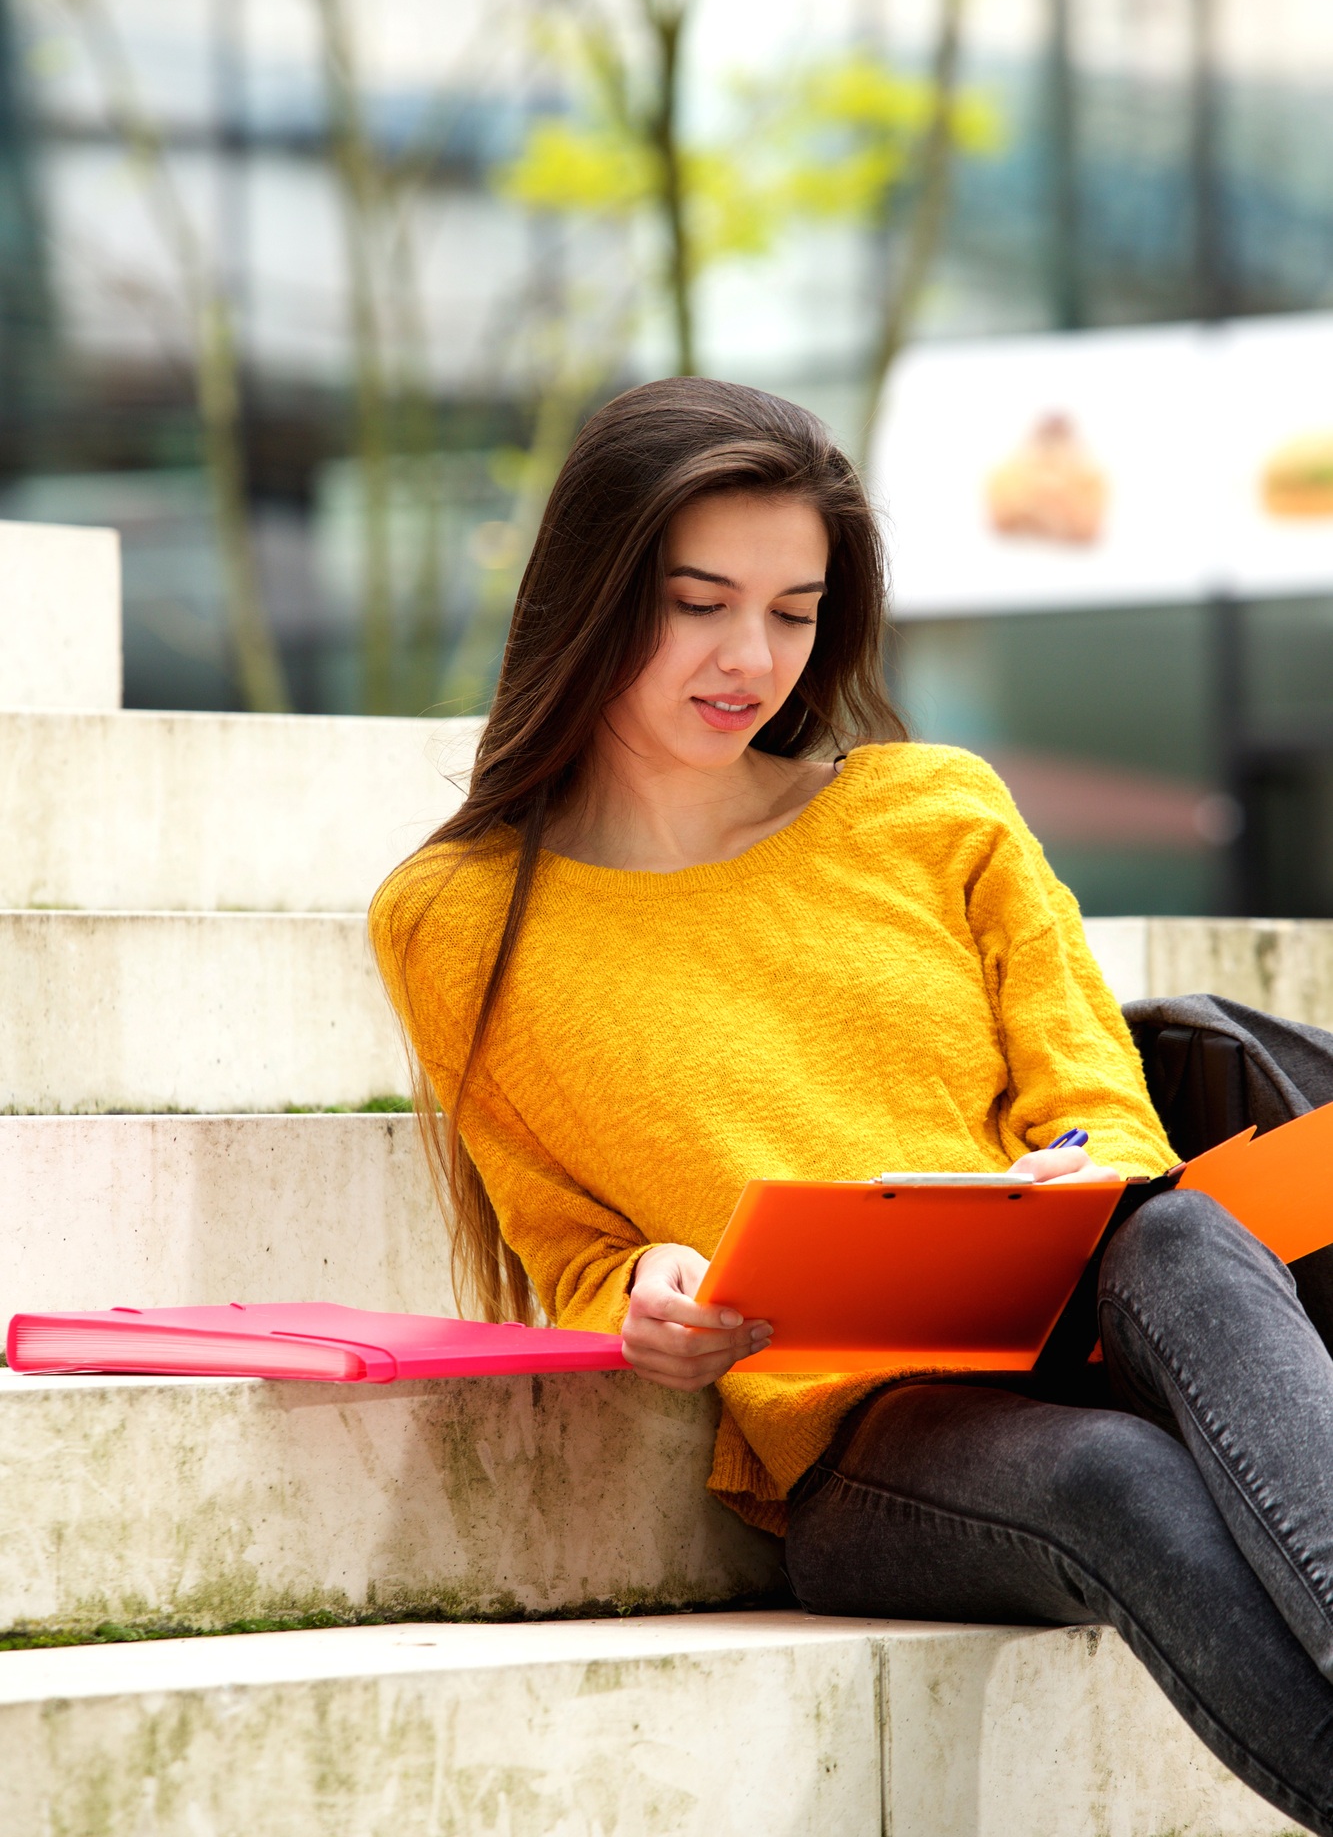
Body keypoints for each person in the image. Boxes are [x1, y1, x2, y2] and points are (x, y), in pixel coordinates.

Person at [371, 378, 1333, 1832]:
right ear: (589, 592)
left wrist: (1062, 1180)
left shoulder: (930, 810)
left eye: (794, 612)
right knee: (1117, 1481)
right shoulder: (457, 919)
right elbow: (567, 1247)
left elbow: (1101, 1106)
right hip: (868, 1448)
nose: (749, 658)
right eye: (698, 603)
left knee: (1183, 1235)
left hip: (1082, 1323)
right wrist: (650, 1296)